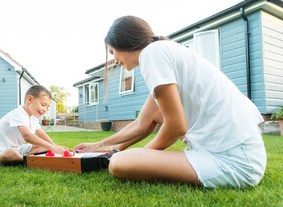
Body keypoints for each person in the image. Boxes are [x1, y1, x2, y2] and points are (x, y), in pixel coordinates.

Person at [74, 16, 266, 188]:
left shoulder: (152, 55)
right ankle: (118, 153)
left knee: (119, 164)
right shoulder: (161, 52)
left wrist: (143, 156)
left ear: (122, 42)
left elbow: (176, 127)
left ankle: (124, 156)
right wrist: (100, 145)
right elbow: (142, 123)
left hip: (234, 161)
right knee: (147, 125)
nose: (114, 60)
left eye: (112, 51)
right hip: (244, 153)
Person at [0, 85, 67, 165]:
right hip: (0, 152)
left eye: (47, 107)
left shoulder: (33, 117)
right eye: (43, 105)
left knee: (44, 147)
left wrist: (55, 146)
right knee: (10, 153)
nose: (45, 110)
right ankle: (30, 160)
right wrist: (52, 148)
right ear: (29, 99)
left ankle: (25, 158)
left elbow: (41, 133)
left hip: (18, 149)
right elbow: (27, 136)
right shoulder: (19, 113)